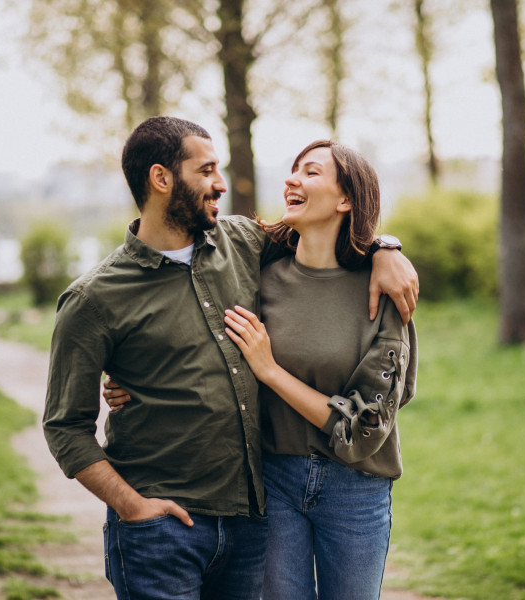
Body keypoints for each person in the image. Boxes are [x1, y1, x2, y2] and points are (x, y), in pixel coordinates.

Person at [44, 116, 418, 600]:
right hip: (168, 526)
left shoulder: (240, 242)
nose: (221, 184)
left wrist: (386, 248)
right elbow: (64, 426)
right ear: (162, 179)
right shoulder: (94, 299)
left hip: (251, 522)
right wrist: (131, 505)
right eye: (207, 171)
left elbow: (328, 237)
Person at [221, 140, 417, 599]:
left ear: (345, 199)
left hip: (357, 489)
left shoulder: (382, 291)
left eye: (310, 172)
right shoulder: (259, 278)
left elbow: (365, 427)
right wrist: (132, 383)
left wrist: (271, 372)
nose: (291, 179)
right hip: (275, 480)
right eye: (292, 171)